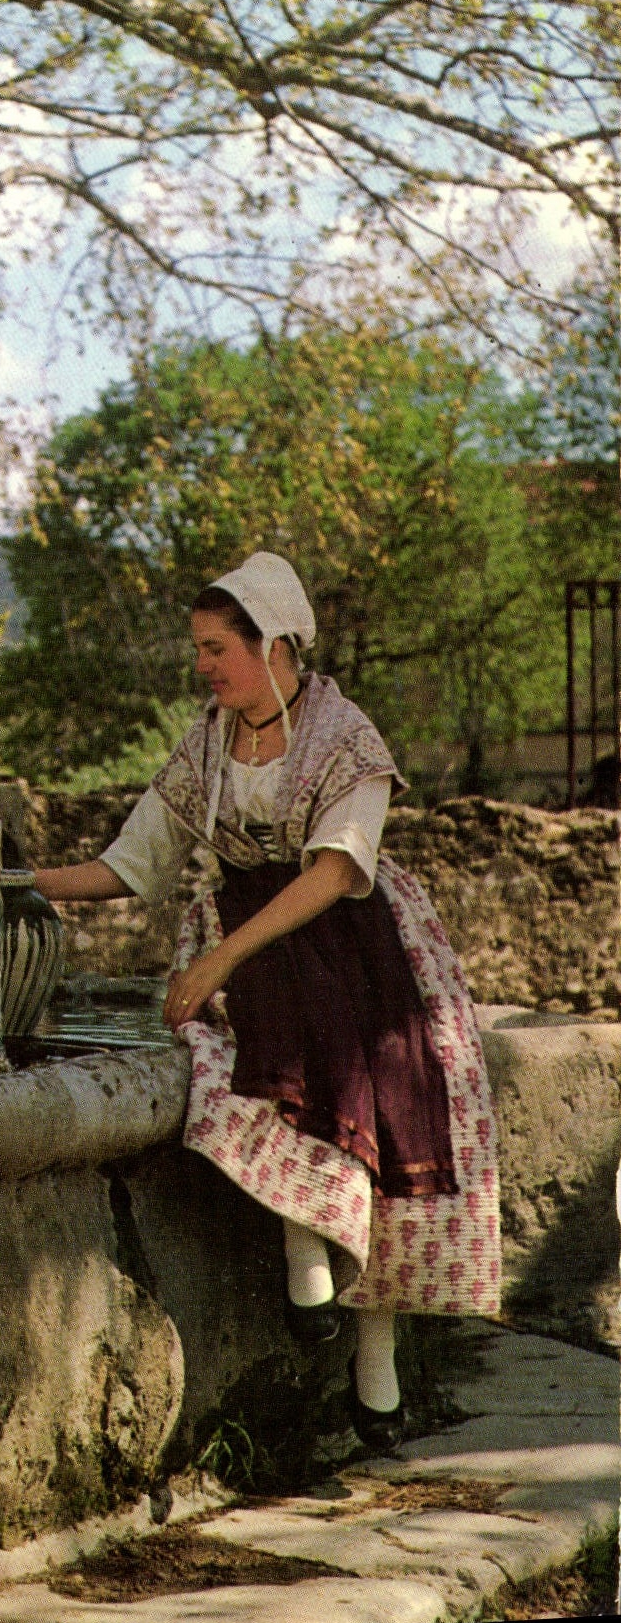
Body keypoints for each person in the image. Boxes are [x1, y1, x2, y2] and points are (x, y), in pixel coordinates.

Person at [34, 551, 500, 1451]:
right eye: (200, 650)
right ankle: (301, 1245)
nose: (204, 667)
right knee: (256, 1045)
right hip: (253, 937)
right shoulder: (210, 740)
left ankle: (376, 1356)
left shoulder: (345, 737)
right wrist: (20, 879)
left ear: (274, 642)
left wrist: (217, 957)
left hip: (357, 933)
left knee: (393, 1088)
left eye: (218, 649)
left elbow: (333, 870)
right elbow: (130, 862)